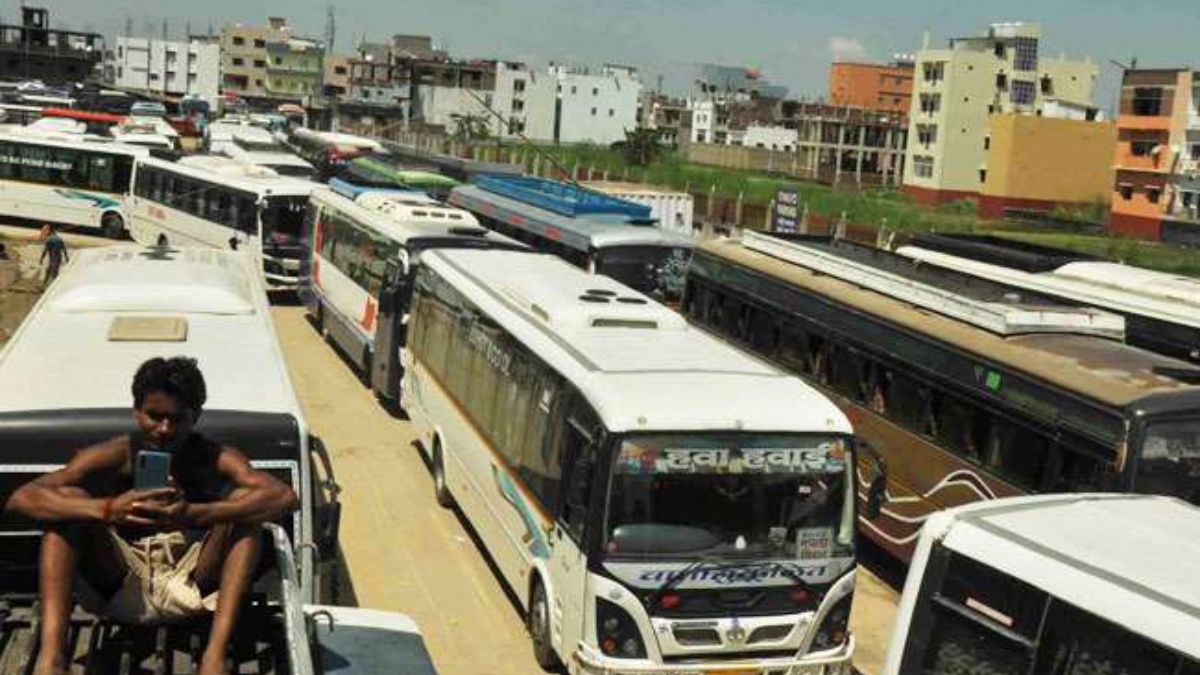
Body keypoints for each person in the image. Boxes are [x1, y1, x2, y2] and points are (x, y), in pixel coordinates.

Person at [4, 357, 299, 675]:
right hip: (121, 581)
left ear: (195, 416)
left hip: (192, 582)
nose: (164, 429)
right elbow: (22, 498)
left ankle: (214, 656)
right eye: (154, 416)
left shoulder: (215, 456)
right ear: (136, 411)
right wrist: (106, 510)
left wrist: (196, 513)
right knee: (68, 505)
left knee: (245, 509)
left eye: (177, 419)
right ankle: (52, 660)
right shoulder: (112, 454)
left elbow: (284, 496)